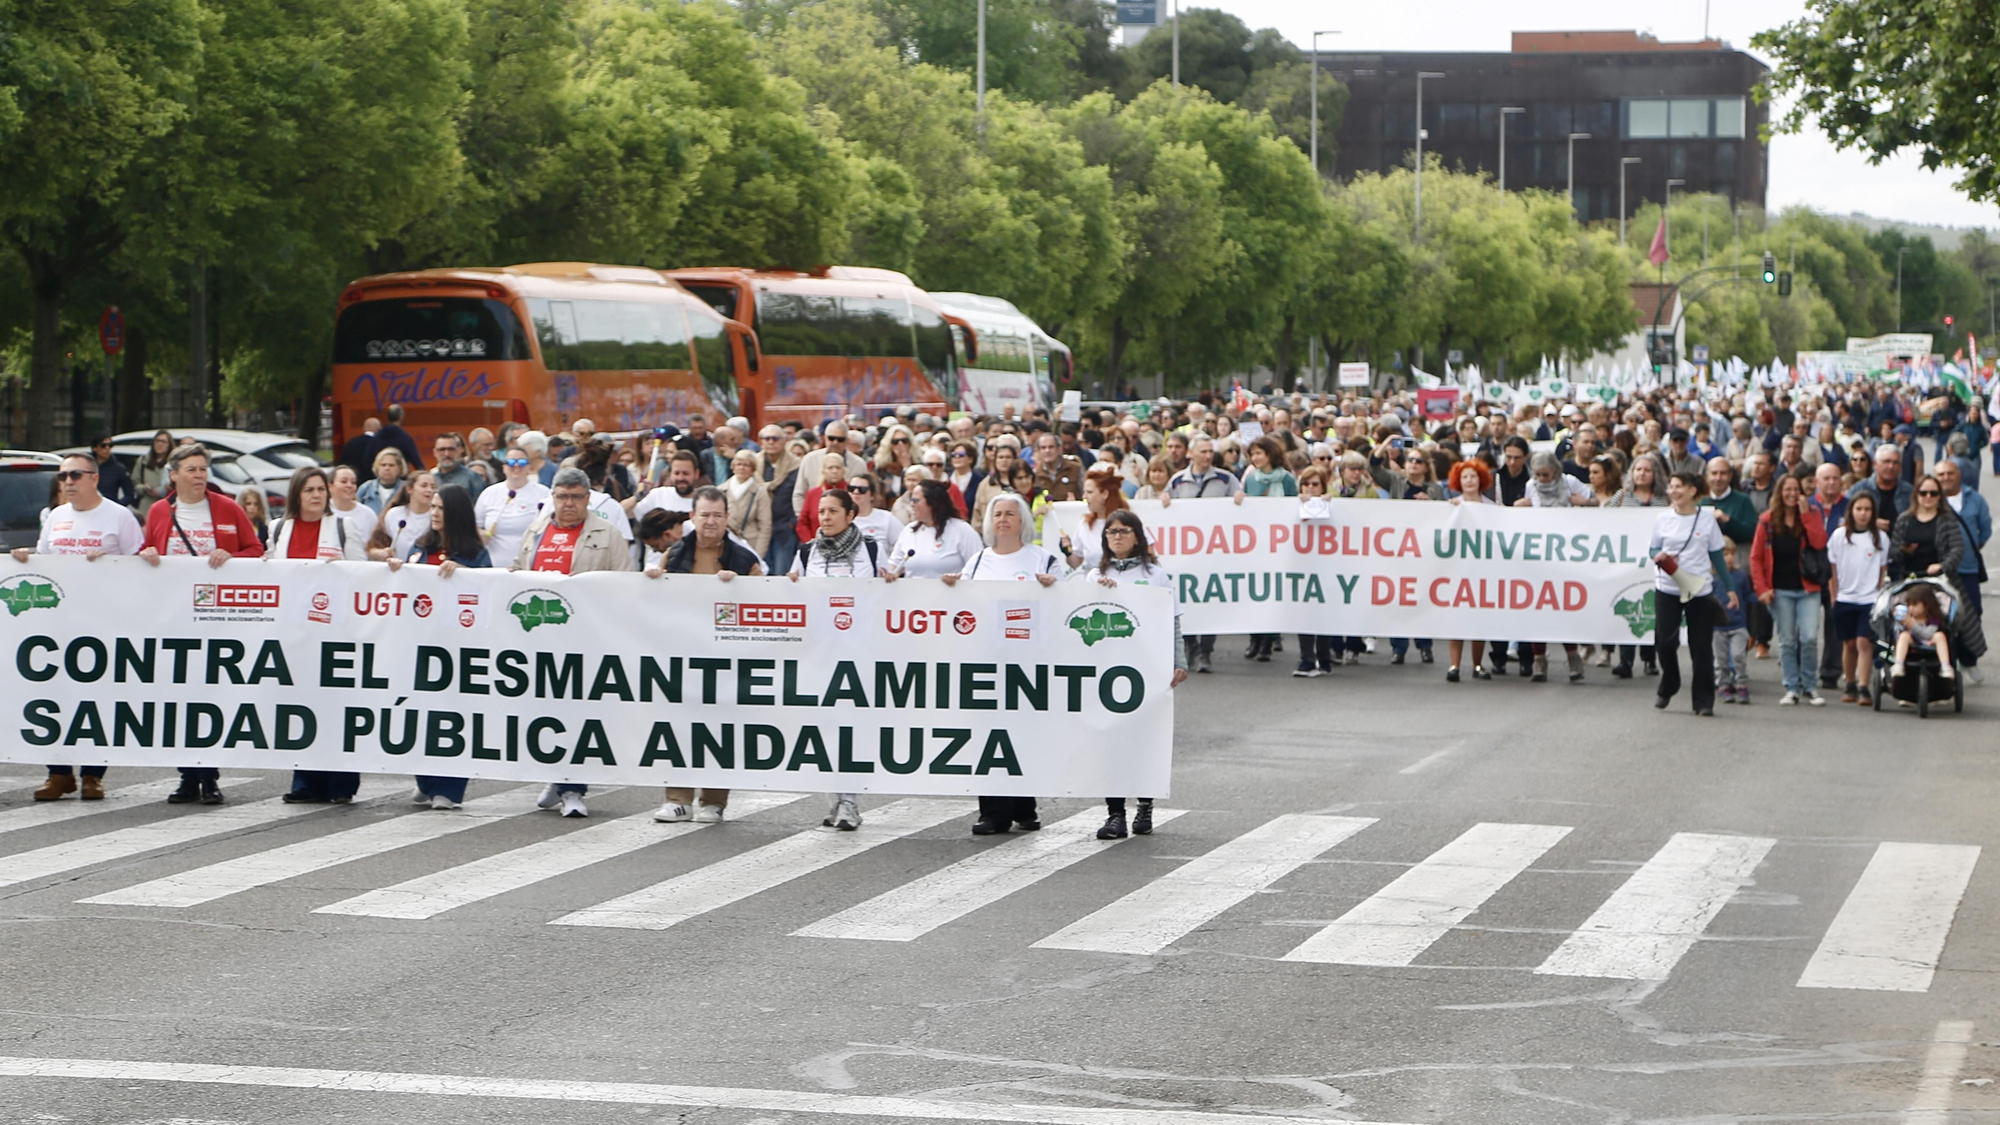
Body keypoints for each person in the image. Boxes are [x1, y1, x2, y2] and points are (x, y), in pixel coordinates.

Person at [12, 452, 143, 801]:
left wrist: (115, 564)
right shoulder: (56, 517)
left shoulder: (119, 517)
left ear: (94, 479)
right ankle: (58, 773)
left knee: (94, 700)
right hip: (58, 625)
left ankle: (92, 775)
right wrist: (27, 558)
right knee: (56, 698)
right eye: (63, 476)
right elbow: (45, 562)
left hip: (103, 623)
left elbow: (142, 566)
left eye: (75, 475)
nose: (67, 482)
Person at [139, 443, 266, 805]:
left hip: (217, 620)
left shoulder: (226, 507)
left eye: (203, 469)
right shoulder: (161, 511)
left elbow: (255, 550)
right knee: (180, 700)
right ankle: (186, 777)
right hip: (174, 620)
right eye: (191, 470)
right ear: (173, 475)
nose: (199, 476)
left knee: (211, 699)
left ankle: (210, 776)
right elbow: (147, 551)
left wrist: (233, 555)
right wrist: (145, 554)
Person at [516, 468, 635, 819]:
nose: (569, 504)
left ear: (588, 499)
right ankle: (558, 775)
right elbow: (517, 571)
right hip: (540, 638)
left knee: (579, 714)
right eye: (562, 496)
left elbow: (624, 584)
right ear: (552, 497)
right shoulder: (536, 530)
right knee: (545, 713)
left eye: (576, 497)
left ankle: (573, 789)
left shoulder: (608, 534)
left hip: (586, 639)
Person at [947, 492, 1062, 836]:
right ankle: (993, 811)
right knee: (987, 735)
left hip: (1029, 663)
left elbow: (1067, 601)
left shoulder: (1043, 559)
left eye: (1011, 513)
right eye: (998, 514)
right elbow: (961, 606)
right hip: (986, 661)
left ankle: (1024, 806)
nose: (1003, 519)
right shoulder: (979, 562)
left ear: (1022, 521)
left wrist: (1054, 588)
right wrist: (950, 588)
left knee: (1022, 735)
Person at [650, 486, 766, 823]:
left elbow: (764, 605)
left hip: (727, 660)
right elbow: (654, 605)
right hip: (683, 654)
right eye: (704, 515)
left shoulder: (744, 560)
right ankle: (677, 799)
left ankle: (714, 801)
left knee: (721, 729)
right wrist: (653, 582)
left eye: (717, 515)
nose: (711, 521)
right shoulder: (674, 555)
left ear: (727, 518)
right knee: (680, 726)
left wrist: (742, 588)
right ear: (692, 517)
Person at [380, 484, 492, 809]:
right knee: (420, 713)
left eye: (441, 508)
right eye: (433, 507)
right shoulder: (420, 545)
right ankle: (425, 779)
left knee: (452, 716)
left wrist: (465, 575)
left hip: (456, 647)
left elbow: (488, 587)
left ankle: (448, 788)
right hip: (419, 643)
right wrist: (398, 570)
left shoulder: (474, 552)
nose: (435, 513)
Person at [1081, 507, 1187, 839]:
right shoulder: (1093, 576)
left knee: (1144, 739)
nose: (1117, 537)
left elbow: (1172, 619)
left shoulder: (1155, 574)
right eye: (1112, 532)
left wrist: (1178, 661)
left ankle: (1145, 803)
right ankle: (1115, 814)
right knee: (1111, 740)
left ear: (1137, 536)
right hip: (1108, 670)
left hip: (1147, 668)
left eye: (1124, 531)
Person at [1649, 470, 1734, 716]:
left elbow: (1717, 555)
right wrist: (1658, 555)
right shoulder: (1662, 519)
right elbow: (1653, 546)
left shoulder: (1706, 520)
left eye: (1679, 487)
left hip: (1699, 589)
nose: (1673, 491)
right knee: (1664, 641)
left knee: (1701, 646)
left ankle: (1703, 700)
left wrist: (1730, 588)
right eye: (1671, 487)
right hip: (1667, 587)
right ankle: (1670, 682)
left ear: (1692, 491)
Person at [1750, 473, 1829, 706]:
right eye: (1787, 489)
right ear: (1779, 492)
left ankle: (1809, 685)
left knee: (1810, 637)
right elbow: (1756, 558)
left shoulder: (1812, 514)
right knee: (1786, 640)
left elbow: (1819, 542)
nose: (1792, 494)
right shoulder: (1767, 521)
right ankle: (1791, 687)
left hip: (1807, 588)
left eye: (1796, 489)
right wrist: (1762, 588)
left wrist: (1805, 515)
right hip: (1780, 589)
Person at [1827, 492, 1888, 704]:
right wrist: (1834, 596)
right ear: (1851, 511)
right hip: (1845, 597)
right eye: (1859, 509)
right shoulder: (1839, 536)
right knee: (1849, 643)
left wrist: (1879, 596)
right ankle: (1850, 683)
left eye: (1867, 510)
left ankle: (1863, 686)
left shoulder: (1880, 538)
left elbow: (1882, 571)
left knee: (1864, 642)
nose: (1863, 514)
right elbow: (1832, 569)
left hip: (1868, 599)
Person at [1933, 459, 1989, 683]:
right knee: (1939, 617)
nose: (1946, 477)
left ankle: (1968, 661)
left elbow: (1984, 531)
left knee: (1972, 614)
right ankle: (1946, 661)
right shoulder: (1930, 497)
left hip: (1967, 569)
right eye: (1941, 474)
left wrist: (1967, 549)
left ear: (1959, 475)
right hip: (1938, 570)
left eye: (1950, 473)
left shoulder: (1975, 499)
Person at [1443, 460, 1496, 683]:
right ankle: (1454, 665)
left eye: (1473, 476)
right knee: (1456, 619)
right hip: (1457, 569)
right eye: (1464, 477)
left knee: (1478, 620)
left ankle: (1477, 664)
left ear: (1481, 479)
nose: (1469, 481)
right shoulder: (1451, 506)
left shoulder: (1491, 508)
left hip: (1483, 570)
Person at [473, 445, 553, 570]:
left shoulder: (544, 493)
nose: (516, 466)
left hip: (530, 566)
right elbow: (475, 524)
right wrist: (481, 534)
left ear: (529, 467)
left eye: (521, 462)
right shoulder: (489, 493)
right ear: (504, 467)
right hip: (493, 567)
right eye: (511, 462)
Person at [1292, 466, 1339, 677]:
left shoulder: (1334, 504)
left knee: (1325, 612)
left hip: (1327, 567)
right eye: (1306, 484)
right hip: (1301, 567)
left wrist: (1333, 501)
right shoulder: (1290, 506)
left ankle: (1324, 656)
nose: (1310, 489)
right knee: (1304, 613)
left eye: (1315, 484)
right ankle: (1307, 659)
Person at [265, 466, 368, 563]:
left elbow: (360, 569)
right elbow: (272, 570)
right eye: (309, 490)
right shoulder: (277, 527)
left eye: (321, 489)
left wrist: (341, 567)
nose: (316, 495)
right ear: (296, 495)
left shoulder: (345, 526)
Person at [889, 479, 983, 579]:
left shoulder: (962, 530)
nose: (912, 504)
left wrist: (960, 578)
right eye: (911, 500)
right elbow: (894, 563)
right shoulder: (909, 530)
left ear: (933, 503)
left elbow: (978, 567)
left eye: (916, 500)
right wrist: (888, 572)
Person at [1890, 474, 1963, 583]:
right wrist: (1904, 551)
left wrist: (1942, 566)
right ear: (1916, 495)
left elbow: (1957, 548)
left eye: (1933, 493)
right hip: (1908, 578)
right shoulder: (1904, 519)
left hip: (1940, 579)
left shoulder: (1947, 520)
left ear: (1939, 496)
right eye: (1923, 493)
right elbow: (1893, 551)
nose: (1928, 497)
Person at [1713, 542, 1754, 704]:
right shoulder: (1711, 578)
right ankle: (1723, 685)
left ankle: (1742, 685)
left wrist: (1762, 598)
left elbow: (1748, 596)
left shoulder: (1741, 576)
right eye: (1724, 554)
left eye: (1732, 554)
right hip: (1718, 627)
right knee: (1721, 659)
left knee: (1738, 655)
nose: (1729, 558)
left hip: (1738, 625)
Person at [367, 470, 438, 562]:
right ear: (409, 489)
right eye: (423, 486)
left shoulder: (437, 516)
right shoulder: (393, 514)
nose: (429, 490)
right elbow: (372, 548)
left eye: (432, 487)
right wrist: (382, 553)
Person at [1890, 583, 1953, 684]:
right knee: (1903, 636)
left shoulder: (1932, 619)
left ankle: (1945, 666)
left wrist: (1913, 625)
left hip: (1929, 641)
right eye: (1909, 605)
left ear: (1926, 605)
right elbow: (1897, 633)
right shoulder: (1907, 618)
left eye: (1914, 605)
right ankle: (1899, 664)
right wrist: (1899, 621)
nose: (1911, 608)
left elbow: (1928, 635)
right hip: (1911, 641)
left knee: (1940, 636)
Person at [722, 448, 772, 559]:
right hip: (724, 545)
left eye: (746, 465)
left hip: (750, 545)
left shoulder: (760, 493)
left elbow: (765, 527)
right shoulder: (721, 490)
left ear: (753, 469)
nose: (741, 468)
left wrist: (758, 555)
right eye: (738, 464)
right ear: (733, 466)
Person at [846, 472, 901, 555]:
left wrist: (891, 564)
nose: (856, 492)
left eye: (862, 489)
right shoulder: (841, 518)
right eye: (852, 488)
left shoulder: (886, 518)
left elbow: (904, 543)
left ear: (872, 495)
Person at [328, 464, 380, 548]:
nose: (349, 485)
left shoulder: (368, 514)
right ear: (330, 486)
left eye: (353, 482)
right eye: (343, 481)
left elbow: (374, 546)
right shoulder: (322, 511)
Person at [431, 431, 486, 499]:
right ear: (435, 452)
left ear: (458, 451)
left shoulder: (472, 478)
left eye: (451, 449)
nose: (446, 454)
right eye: (442, 449)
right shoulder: (431, 478)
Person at [86, 435, 136, 508]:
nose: (107, 448)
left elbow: (129, 494)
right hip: (87, 508)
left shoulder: (119, 468)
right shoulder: (87, 466)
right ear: (94, 448)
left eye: (110, 445)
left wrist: (117, 506)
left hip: (109, 509)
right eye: (103, 445)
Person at [135, 429, 175, 511]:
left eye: (163, 442)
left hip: (167, 506)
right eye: (157, 441)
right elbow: (134, 483)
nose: (159, 444)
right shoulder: (143, 461)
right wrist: (144, 488)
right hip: (146, 506)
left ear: (169, 445)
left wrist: (163, 490)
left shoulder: (173, 463)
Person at [376, 402, 423, 469]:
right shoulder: (405, 438)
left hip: (380, 476)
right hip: (401, 476)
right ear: (401, 417)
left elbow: (368, 459)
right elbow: (416, 460)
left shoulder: (377, 437)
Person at [358, 447, 407, 512]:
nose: (387, 468)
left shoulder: (407, 489)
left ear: (400, 468)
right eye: (383, 465)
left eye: (391, 465)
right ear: (377, 467)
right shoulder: (366, 488)